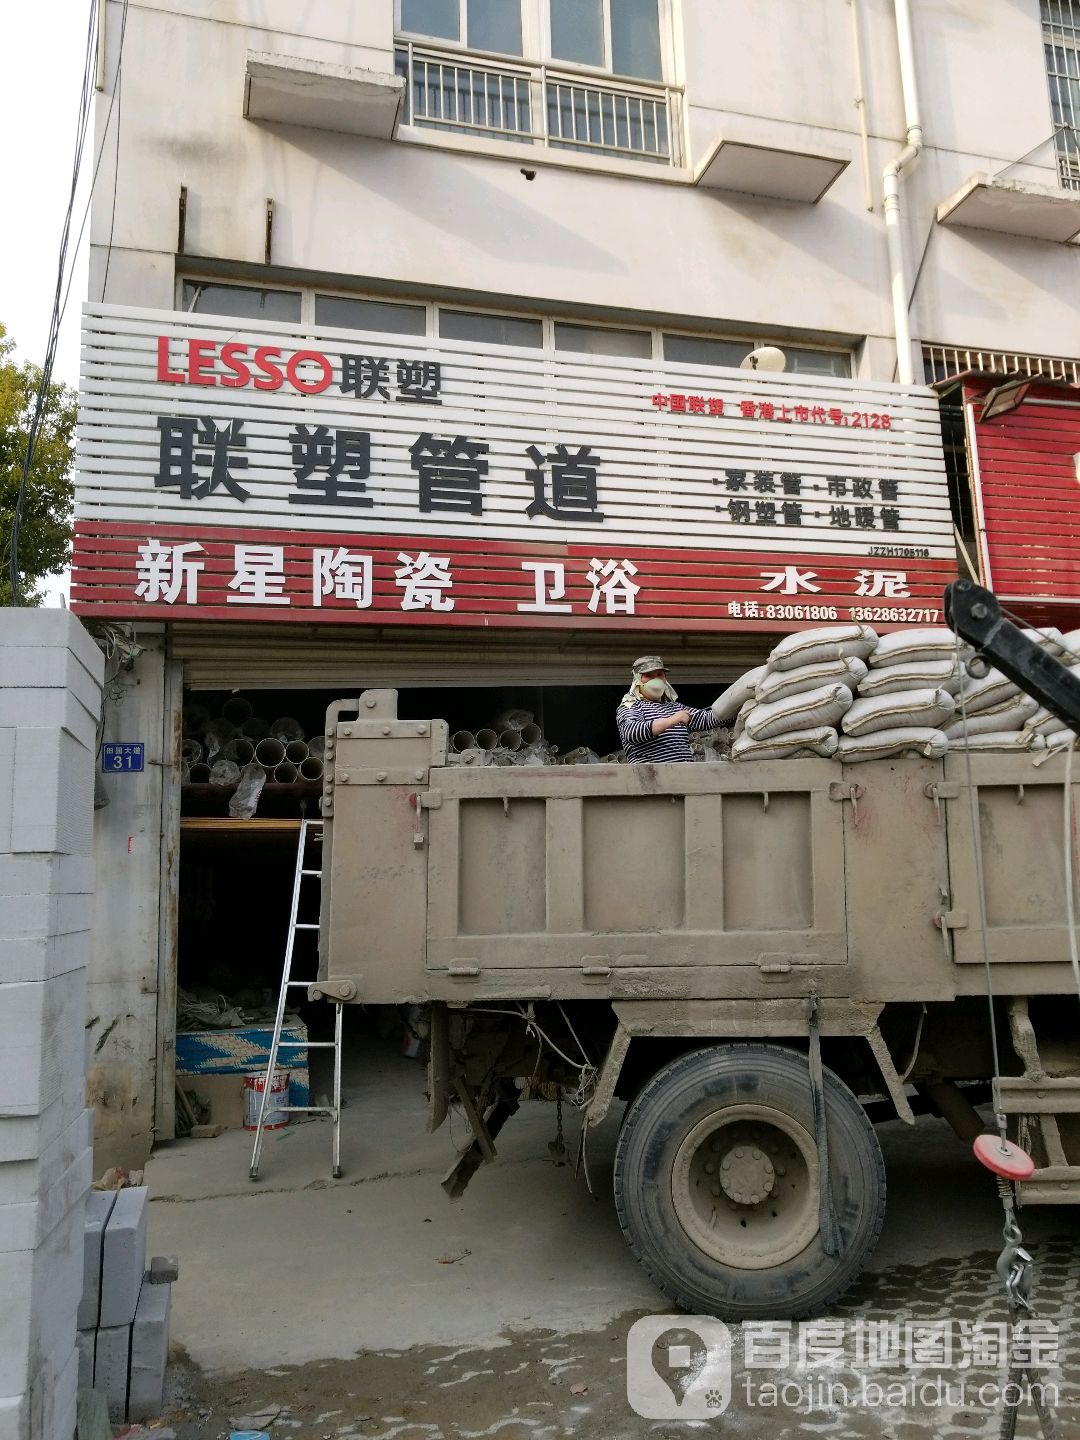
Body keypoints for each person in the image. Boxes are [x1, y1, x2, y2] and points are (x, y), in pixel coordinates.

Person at [616, 656, 716, 764]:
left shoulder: (675, 707)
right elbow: (632, 732)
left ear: (665, 678)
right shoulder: (631, 705)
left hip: (684, 775)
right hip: (651, 776)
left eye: (659, 675)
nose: (656, 680)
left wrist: (733, 707)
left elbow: (707, 719)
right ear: (637, 679)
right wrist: (671, 720)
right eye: (649, 675)